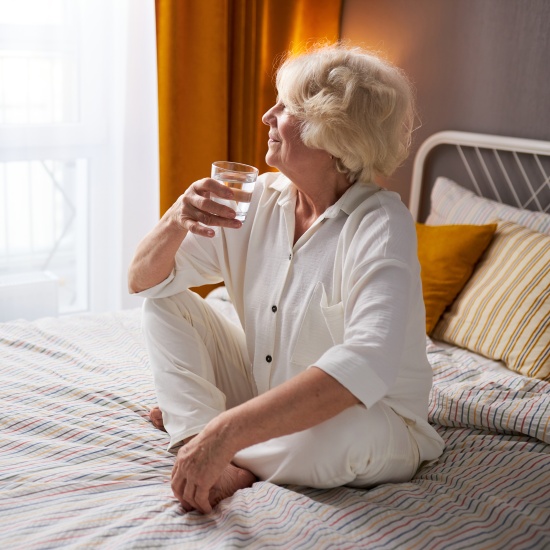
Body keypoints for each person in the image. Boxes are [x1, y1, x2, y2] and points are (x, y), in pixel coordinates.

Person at [128, 43, 445, 515]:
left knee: (335, 438)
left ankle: (210, 439)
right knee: (166, 304)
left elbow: (363, 368)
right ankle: (200, 440)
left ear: (333, 134)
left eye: (287, 108)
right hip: (267, 394)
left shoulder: (380, 225)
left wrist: (224, 431)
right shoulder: (255, 198)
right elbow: (144, 282)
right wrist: (177, 217)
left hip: (374, 418)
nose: (267, 116)